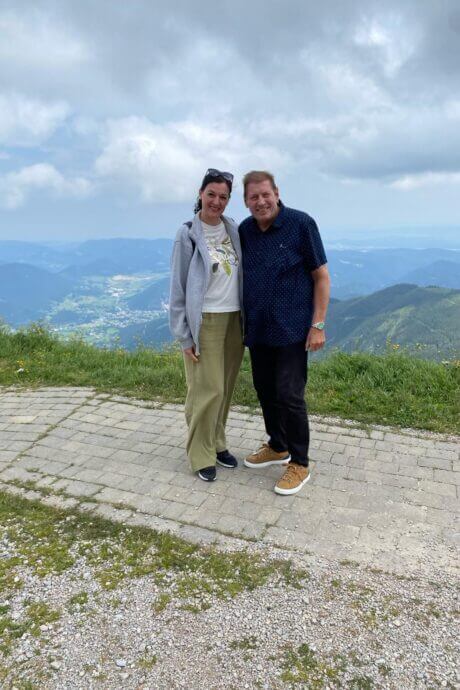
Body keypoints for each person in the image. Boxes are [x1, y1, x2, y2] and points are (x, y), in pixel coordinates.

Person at [239, 170, 330, 495]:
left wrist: (318, 325)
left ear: (276, 193)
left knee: (290, 395)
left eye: (266, 194)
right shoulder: (245, 230)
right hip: (259, 329)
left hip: (292, 330)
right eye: (254, 197)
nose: (261, 201)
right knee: (265, 390)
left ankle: (300, 463)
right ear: (246, 201)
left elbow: (321, 277)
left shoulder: (301, 224)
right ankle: (278, 445)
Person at [169, 169, 244, 482]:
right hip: (206, 321)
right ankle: (200, 455)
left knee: (224, 388)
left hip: (234, 318)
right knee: (206, 389)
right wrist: (184, 336)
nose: (216, 201)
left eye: (223, 196)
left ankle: (217, 442)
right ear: (200, 194)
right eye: (211, 194)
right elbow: (178, 289)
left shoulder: (232, 228)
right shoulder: (187, 234)